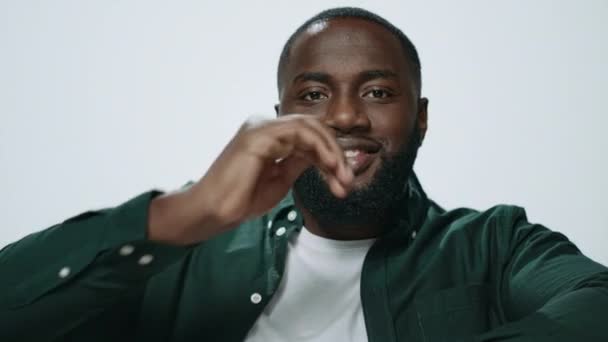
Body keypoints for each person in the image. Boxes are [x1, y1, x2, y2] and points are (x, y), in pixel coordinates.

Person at [1, 6, 606, 342]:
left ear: (420, 120)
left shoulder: (493, 246)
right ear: (279, 119)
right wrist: (181, 215)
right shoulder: (186, 251)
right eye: (313, 94)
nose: (344, 115)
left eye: (377, 90)